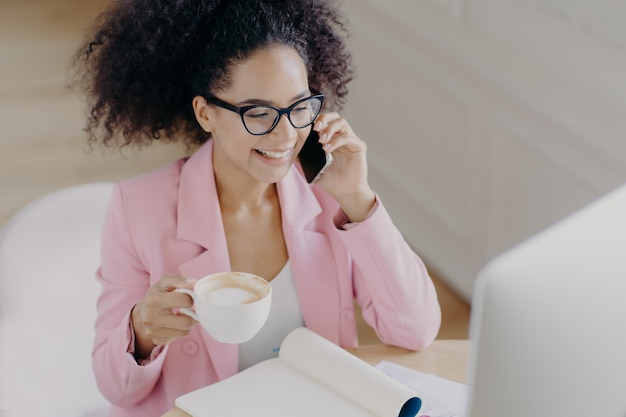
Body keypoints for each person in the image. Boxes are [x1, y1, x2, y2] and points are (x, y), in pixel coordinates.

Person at [71, 0, 442, 415]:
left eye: (299, 107)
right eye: (259, 113)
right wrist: (142, 331)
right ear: (205, 113)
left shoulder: (328, 196)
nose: (286, 134)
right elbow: (116, 391)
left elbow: (416, 330)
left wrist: (358, 199)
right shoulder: (138, 208)